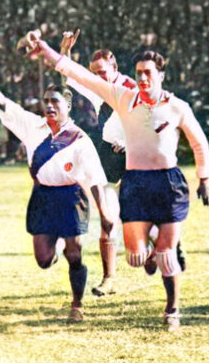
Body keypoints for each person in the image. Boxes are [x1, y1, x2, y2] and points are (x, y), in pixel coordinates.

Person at [24, 32, 209, 332]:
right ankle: (151, 246)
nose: (143, 78)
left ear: (160, 76)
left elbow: (199, 141)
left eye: (148, 73)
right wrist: (49, 50)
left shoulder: (174, 105)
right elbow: (77, 75)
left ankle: (172, 307)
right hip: (131, 179)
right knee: (136, 258)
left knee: (164, 257)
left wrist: (205, 177)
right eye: (139, 73)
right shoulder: (121, 96)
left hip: (167, 181)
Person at [0, 54, 108, 322]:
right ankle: (60, 243)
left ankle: (77, 305)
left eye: (55, 102)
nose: (49, 106)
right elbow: (0, 100)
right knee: (43, 259)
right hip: (42, 197)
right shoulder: (32, 125)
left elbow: (95, 179)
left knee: (75, 253)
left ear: (68, 106)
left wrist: (104, 212)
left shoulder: (80, 139)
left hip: (71, 197)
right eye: (46, 101)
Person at [58, 31, 130, 296]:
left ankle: (159, 250)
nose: (97, 78)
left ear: (115, 69)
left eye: (101, 72)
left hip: (137, 160)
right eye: (94, 73)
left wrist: (131, 143)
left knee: (141, 224)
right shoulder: (101, 90)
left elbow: (155, 124)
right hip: (108, 159)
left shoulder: (133, 90)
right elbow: (71, 75)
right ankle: (109, 279)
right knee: (108, 220)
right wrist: (64, 50)